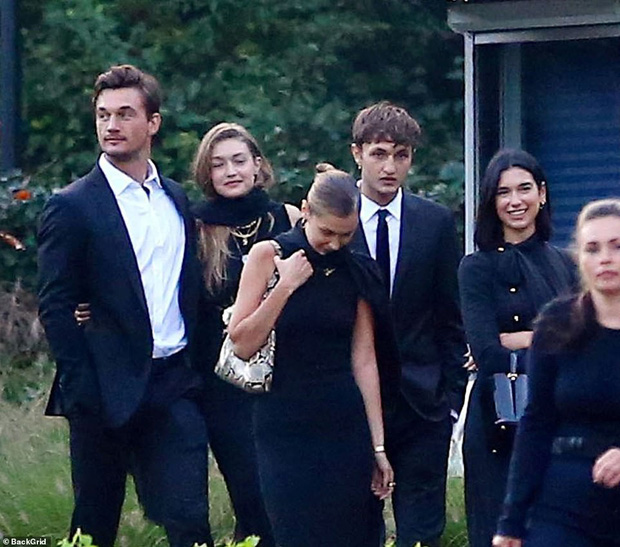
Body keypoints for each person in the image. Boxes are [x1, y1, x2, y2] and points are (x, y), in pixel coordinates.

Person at [37, 65, 212, 547]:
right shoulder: (72, 205)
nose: (111, 125)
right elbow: (55, 303)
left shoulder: (175, 198)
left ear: (153, 123)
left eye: (125, 114)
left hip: (173, 382)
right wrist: (82, 387)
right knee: (94, 525)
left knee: (189, 520)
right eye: (103, 115)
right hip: (102, 386)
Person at [226, 164, 400, 547]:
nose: (335, 244)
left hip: (344, 424)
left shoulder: (356, 269)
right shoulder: (269, 255)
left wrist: (378, 447)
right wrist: (284, 286)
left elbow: (364, 360)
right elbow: (242, 342)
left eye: (346, 234)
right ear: (306, 211)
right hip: (284, 425)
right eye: (327, 233)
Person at [348, 101, 467, 547]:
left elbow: (449, 316)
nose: (390, 167)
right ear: (357, 153)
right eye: (379, 154)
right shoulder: (335, 219)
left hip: (423, 403)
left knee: (422, 532)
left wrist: (450, 401)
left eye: (401, 155)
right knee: (355, 528)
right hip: (352, 402)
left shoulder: (433, 222)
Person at [458, 149, 576, 547]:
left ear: (541, 193)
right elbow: (487, 352)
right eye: (503, 192)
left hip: (561, 420)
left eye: (524, 189)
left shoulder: (567, 264)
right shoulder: (476, 268)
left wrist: (521, 337)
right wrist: (555, 336)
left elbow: (585, 339)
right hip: (500, 421)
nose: (515, 201)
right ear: (491, 202)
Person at [191, 122, 300, 546]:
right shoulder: (197, 228)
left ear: (257, 165)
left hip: (287, 377)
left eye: (238, 161)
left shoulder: (288, 218)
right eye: (218, 164)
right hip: (224, 381)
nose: (230, 171)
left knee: (288, 494)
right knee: (250, 494)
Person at [493, 197, 620, 546]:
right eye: (592, 248)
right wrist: (511, 522)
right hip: (563, 503)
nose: (605, 258)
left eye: (617, 246)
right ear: (578, 257)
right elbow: (536, 422)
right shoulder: (556, 322)